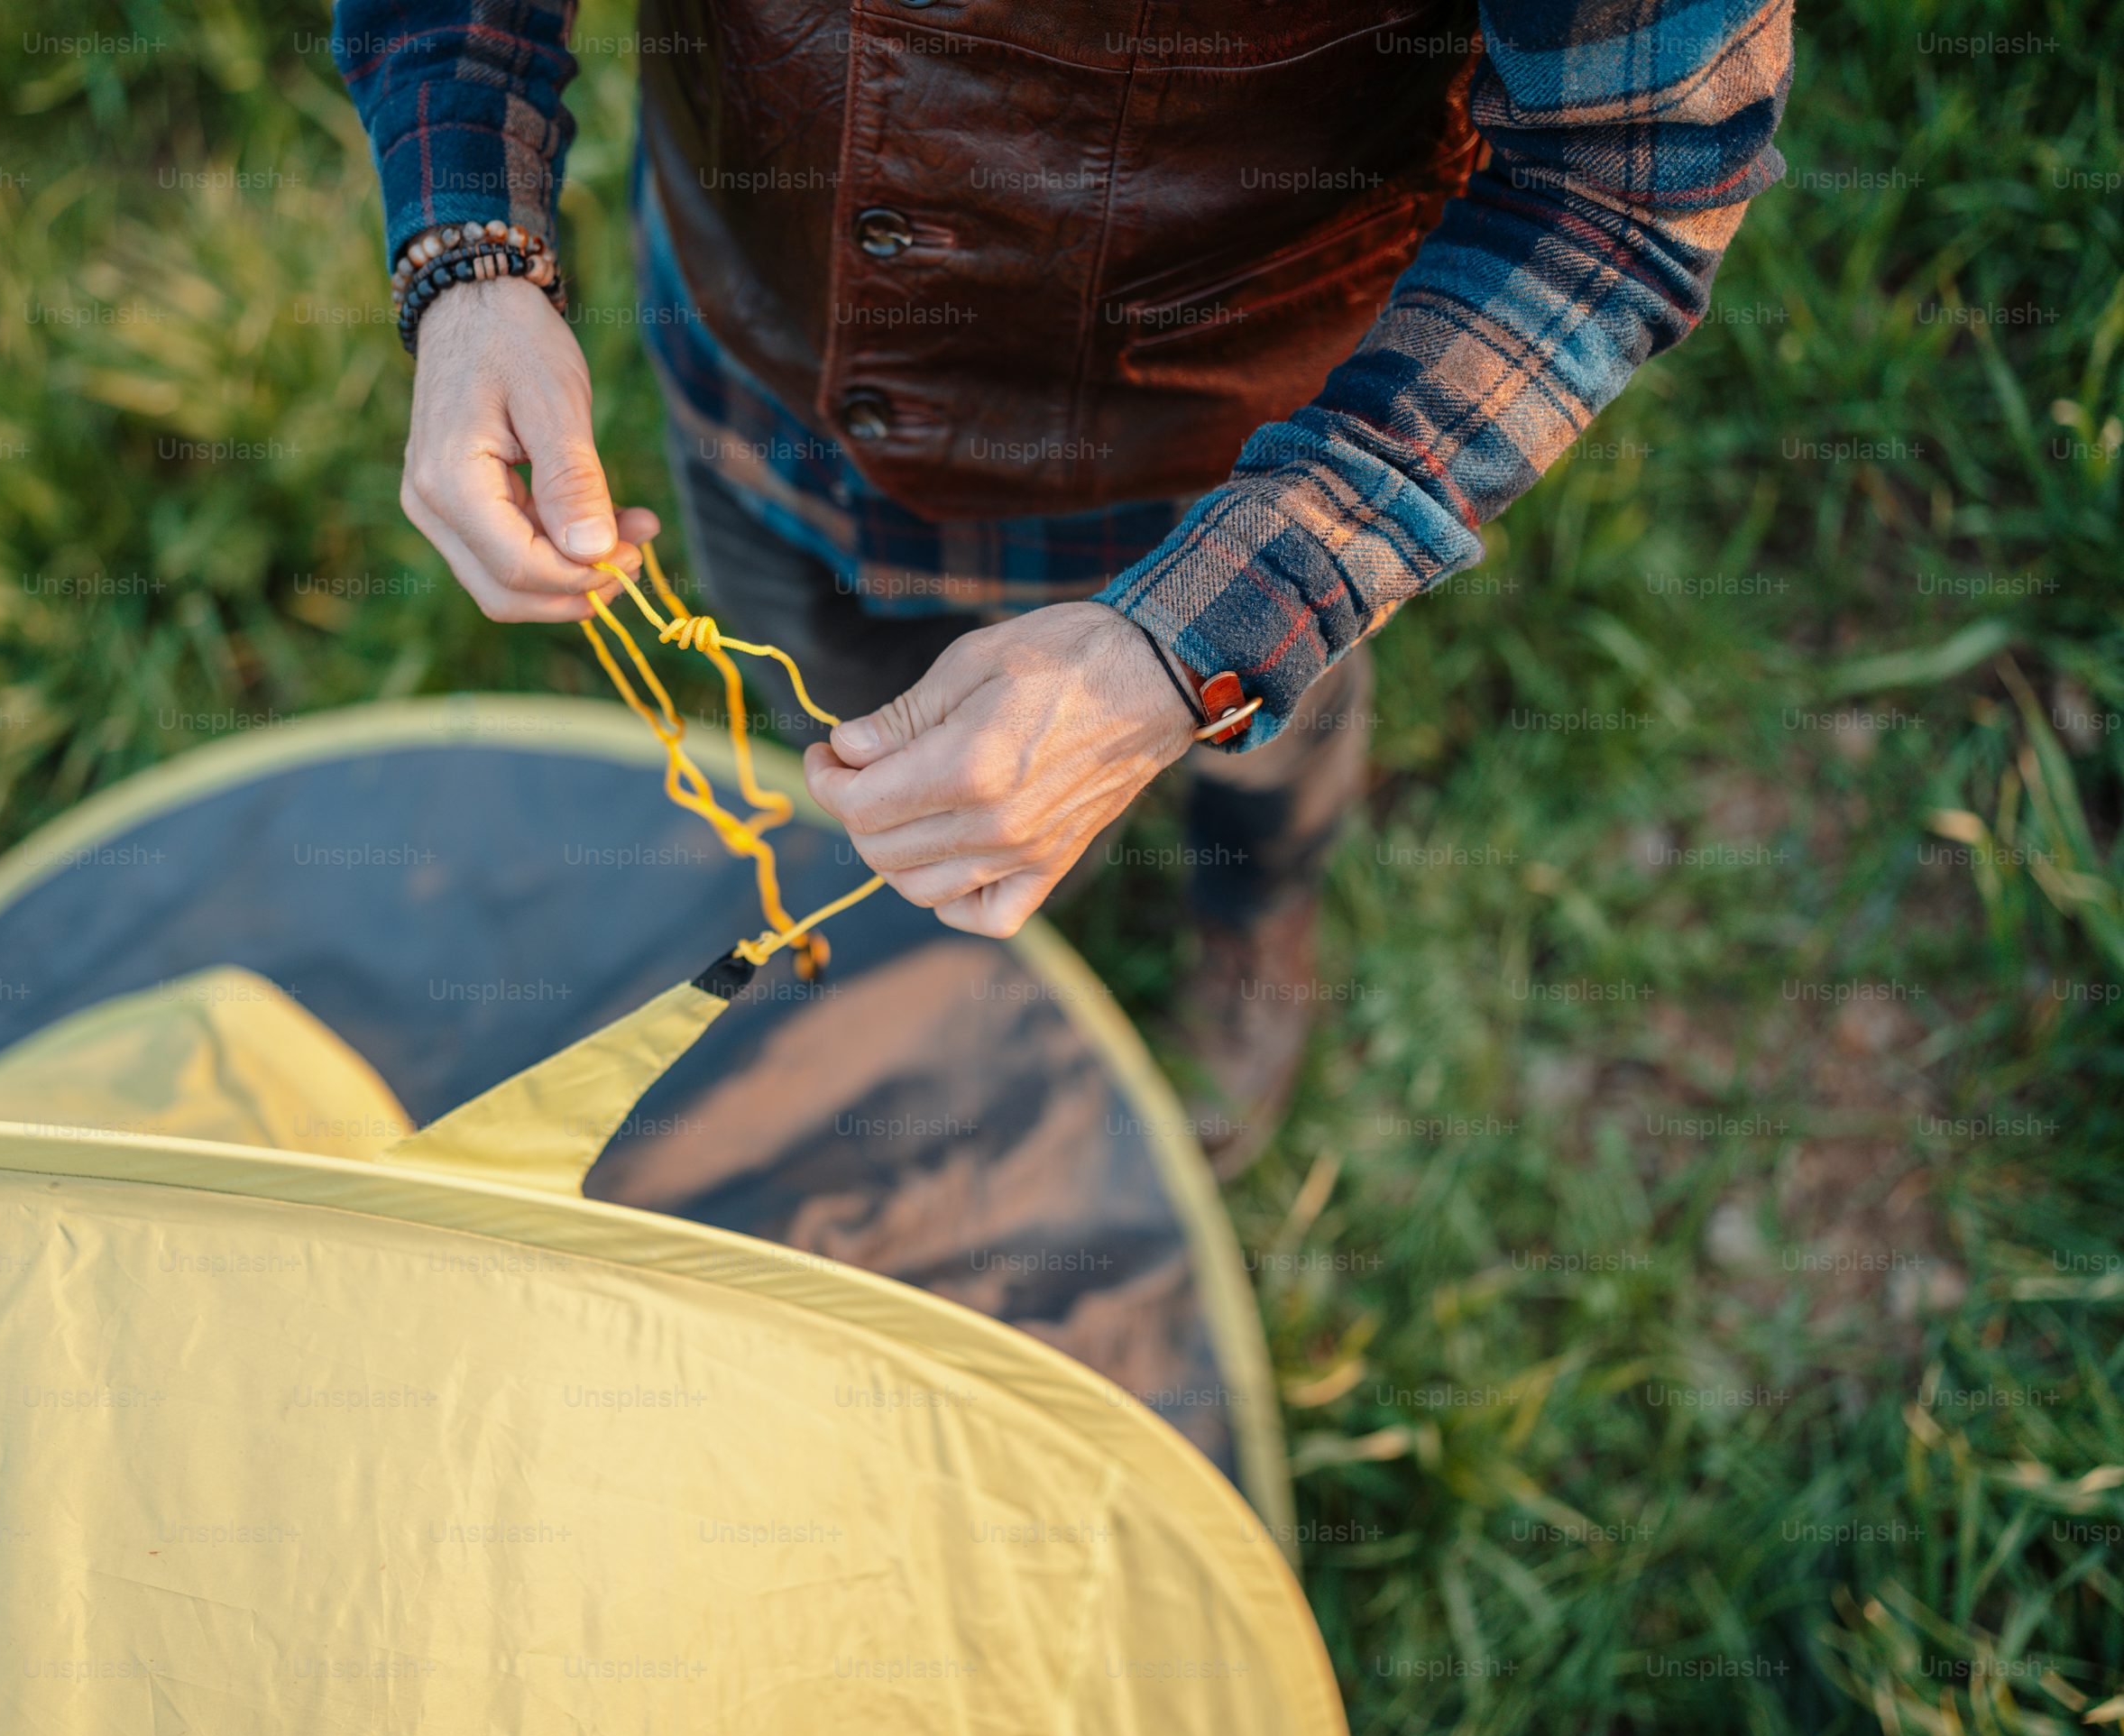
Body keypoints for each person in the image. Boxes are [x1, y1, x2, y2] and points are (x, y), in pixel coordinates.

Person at [332, 0, 1791, 1175]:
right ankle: (961, 917)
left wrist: (1195, 646)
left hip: (1231, 456)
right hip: (762, 373)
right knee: (859, 739)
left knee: (1267, 732)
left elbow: (1627, 181)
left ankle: (1254, 916)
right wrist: (470, 251)